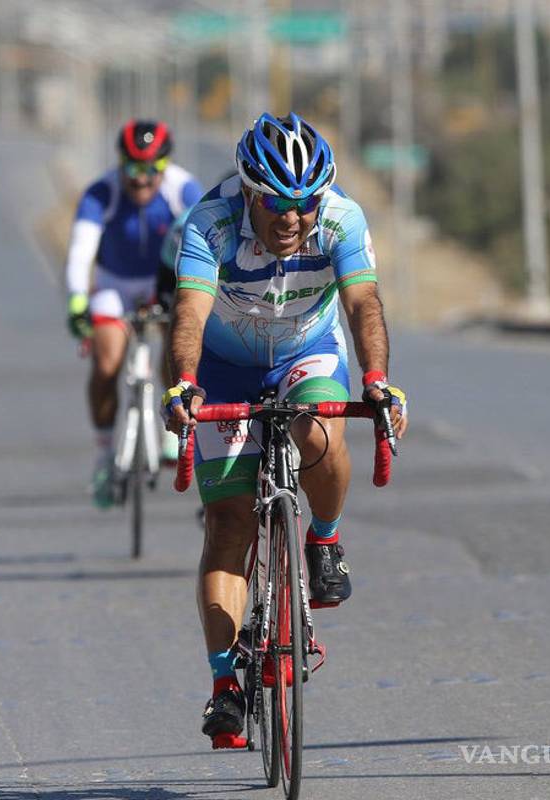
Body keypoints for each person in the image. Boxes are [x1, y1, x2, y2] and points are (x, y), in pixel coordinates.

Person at [162, 113, 407, 742]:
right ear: (248, 191)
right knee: (227, 524)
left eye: (304, 203)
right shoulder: (209, 223)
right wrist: (183, 384)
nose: (292, 218)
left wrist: (376, 380)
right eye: (277, 203)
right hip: (224, 366)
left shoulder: (342, 218)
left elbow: (362, 303)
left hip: (307, 353)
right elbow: (189, 312)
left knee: (321, 433)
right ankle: (223, 685)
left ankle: (323, 541)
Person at [64, 119, 204, 508]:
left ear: (165, 165)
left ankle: (169, 430)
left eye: (151, 171)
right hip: (115, 285)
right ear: (120, 162)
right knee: (107, 364)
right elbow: (80, 251)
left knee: (179, 348)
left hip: (165, 280)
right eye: (133, 169)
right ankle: (105, 454)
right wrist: (77, 300)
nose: (141, 181)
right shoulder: (101, 192)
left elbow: (205, 242)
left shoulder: (183, 189)